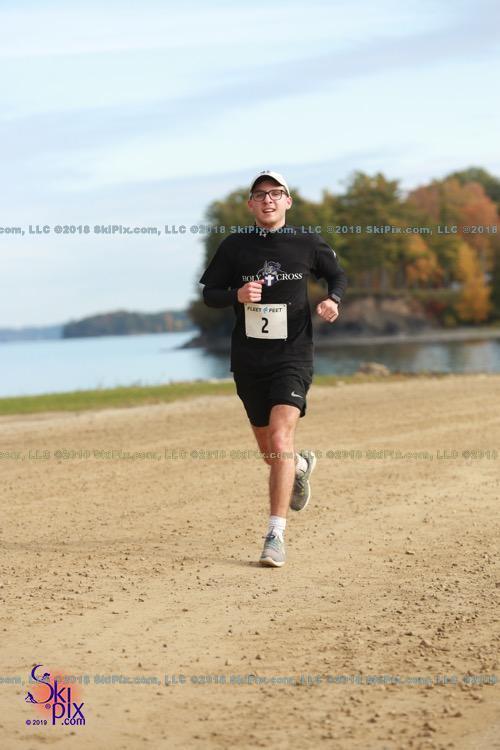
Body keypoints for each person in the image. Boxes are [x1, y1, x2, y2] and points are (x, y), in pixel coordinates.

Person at [199, 170, 347, 567]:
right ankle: (299, 465)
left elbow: (336, 275)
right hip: (249, 361)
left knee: (281, 440)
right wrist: (236, 294)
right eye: (260, 194)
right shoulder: (235, 246)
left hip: (292, 356)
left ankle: (274, 536)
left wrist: (332, 299)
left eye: (276, 193)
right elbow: (210, 293)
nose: (268, 199)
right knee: (272, 453)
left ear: (288, 201)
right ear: (251, 204)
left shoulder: (307, 242)